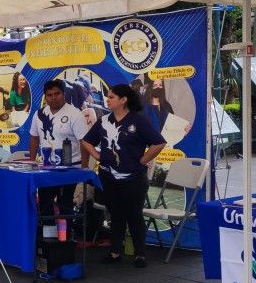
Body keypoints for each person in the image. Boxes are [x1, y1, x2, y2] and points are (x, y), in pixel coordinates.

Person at [82, 83, 166, 268]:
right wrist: (98, 156)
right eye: (108, 96)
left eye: (111, 97)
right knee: (115, 214)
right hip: (108, 176)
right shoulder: (103, 121)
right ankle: (114, 252)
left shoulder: (138, 120)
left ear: (123, 100)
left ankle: (140, 254)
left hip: (133, 177)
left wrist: (143, 160)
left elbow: (158, 143)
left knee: (134, 215)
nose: (107, 99)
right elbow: (87, 141)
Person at [28, 80, 91, 225]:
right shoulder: (39, 114)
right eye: (49, 95)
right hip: (46, 168)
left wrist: (84, 167)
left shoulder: (75, 114)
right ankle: (48, 238)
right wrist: (32, 162)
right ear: (45, 96)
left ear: (63, 94)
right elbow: (34, 138)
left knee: (65, 204)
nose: (53, 97)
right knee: (44, 203)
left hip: (69, 168)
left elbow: (84, 142)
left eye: (57, 94)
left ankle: (66, 240)